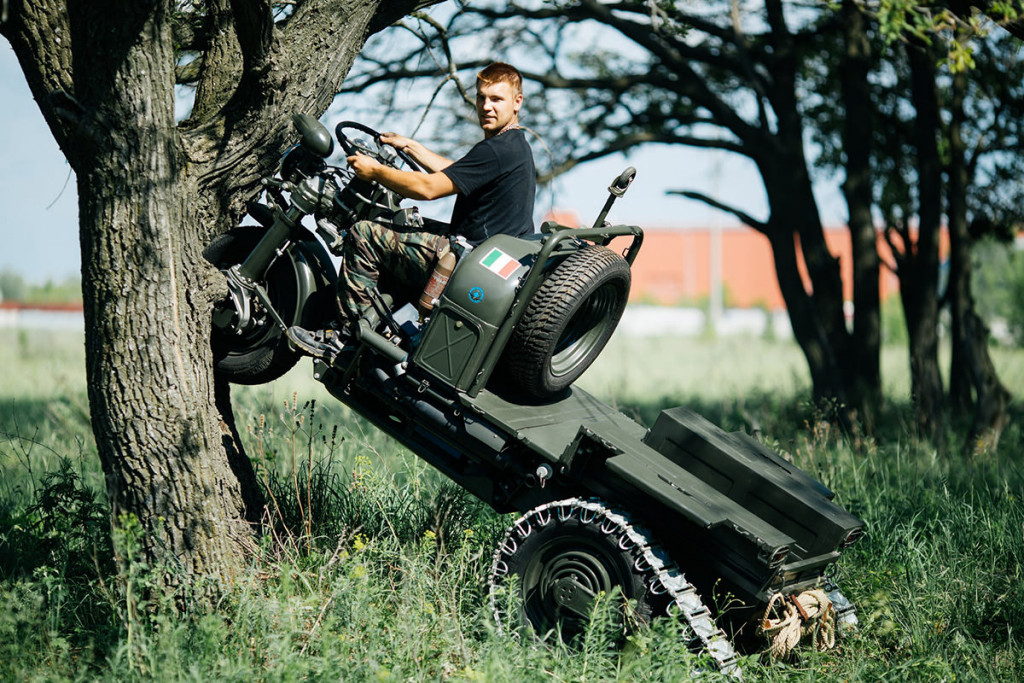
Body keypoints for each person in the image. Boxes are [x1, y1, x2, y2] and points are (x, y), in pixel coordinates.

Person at [289, 61, 536, 360]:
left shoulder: (497, 149)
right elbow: (458, 173)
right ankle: (383, 322)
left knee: (363, 234)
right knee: (402, 221)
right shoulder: (514, 145)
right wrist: (411, 147)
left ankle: (343, 338)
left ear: (517, 101)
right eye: (481, 97)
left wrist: (376, 171)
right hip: (485, 261)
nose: (486, 106)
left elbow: (428, 189)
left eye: (497, 99)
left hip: (468, 263)